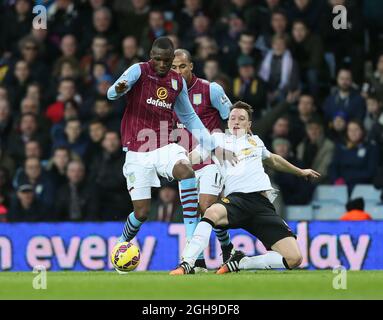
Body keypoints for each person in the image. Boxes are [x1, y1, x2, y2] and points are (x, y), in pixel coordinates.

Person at [107, 37, 235, 253]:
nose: (163, 65)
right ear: (151, 57)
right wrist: (118, 89)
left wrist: (213, 146)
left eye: (167, 60)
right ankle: (122, 243)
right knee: (141, 213)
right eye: (158, 60)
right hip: (137, 151)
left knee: (186, 172)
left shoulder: (177, 82)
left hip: (165, 145)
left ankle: (191, 242)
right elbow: (110, 94)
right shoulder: (138, 71)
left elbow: (190, 118)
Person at [170, 101, 320, 275]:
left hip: (262, 205)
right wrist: (175, 162)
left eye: (241, 119)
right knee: (211, 212)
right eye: (232, 118)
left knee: (294, 259)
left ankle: (242, 262)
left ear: (249, 125)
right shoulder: (216, 140)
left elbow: (273, 160)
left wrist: (300, 171)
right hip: (237, 201)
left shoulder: (256, 141)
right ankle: (187, 263)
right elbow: (193, 157)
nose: (236, 121)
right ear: (227, 122)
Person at [171, 49, 237, 269]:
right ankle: (211, 254)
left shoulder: (211, 89)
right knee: (190, 210)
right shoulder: (166, 94)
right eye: (173, 67)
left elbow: (233, 118)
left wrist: (226, 146)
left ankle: (207, 253)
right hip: (186, 163)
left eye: (182, 66)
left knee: (206, 206)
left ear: (191, 66)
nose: (178, 71)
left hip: (210, 160)